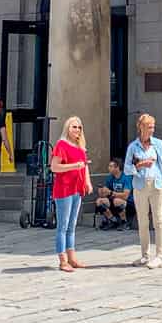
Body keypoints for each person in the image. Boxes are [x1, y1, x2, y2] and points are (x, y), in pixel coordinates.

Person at [125, 114, 162, 268]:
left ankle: (159, 255)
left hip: (157, 185)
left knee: (158, 220)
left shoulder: (158, 144)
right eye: (149, 127)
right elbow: (127, 168)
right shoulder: (133, 147)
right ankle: (145, 255)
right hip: (140, 186)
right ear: (141, 127)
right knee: (143, 221)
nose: (152, 130)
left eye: (153, 127)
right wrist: (139, 166)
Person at [49, 116, 91, 274]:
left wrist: (87, 181)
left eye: (79, 127)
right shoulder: (61, 145)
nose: (77, 130)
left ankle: (72, 257)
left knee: (72, 225)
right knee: (63, 225)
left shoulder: (80, 146)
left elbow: (85, 166)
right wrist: (74, 166)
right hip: (64, 189)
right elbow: (54, 167)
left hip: (76, 188)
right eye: (74, 127)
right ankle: (62, 260)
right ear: (67, 128)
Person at [95, 160, 132, 229]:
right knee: (99, 201)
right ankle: (112, 220)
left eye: (111, 166)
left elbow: (126, 196)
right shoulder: (110, 177)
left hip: (127, 203)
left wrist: (111, 193)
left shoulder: (126, 177)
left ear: (117, 168)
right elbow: (103, 195)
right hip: (114, 201)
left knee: (117, 201)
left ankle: (124, 222)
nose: (108, 168)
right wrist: (101, 191)